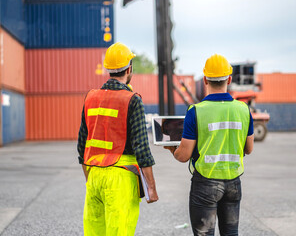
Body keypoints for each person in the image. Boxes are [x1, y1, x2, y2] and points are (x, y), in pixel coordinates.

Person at [165, 54, 254, 236]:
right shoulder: (244, 110)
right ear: (229, 79)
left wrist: (172, 149)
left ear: (205, 79)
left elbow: (183, 156)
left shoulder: (196, 111)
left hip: (205, 183)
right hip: (233, 182)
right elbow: (248, 149)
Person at [77, 42, 159, 236]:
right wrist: (152, 188)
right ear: (129, 68)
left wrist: (90, 179)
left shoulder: (90, 97)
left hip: (94, 175)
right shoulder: (132, 100)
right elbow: (142, 149)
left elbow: (82, 146)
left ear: (108, 69)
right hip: (120, 179)